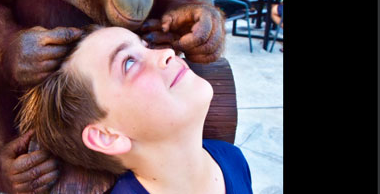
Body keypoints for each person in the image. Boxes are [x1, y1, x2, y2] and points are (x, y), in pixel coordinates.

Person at [18, 26, 253, 194]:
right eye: (129, 62)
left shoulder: (233, 160)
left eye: (147, 47)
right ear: (106, 135)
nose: (168, 52)